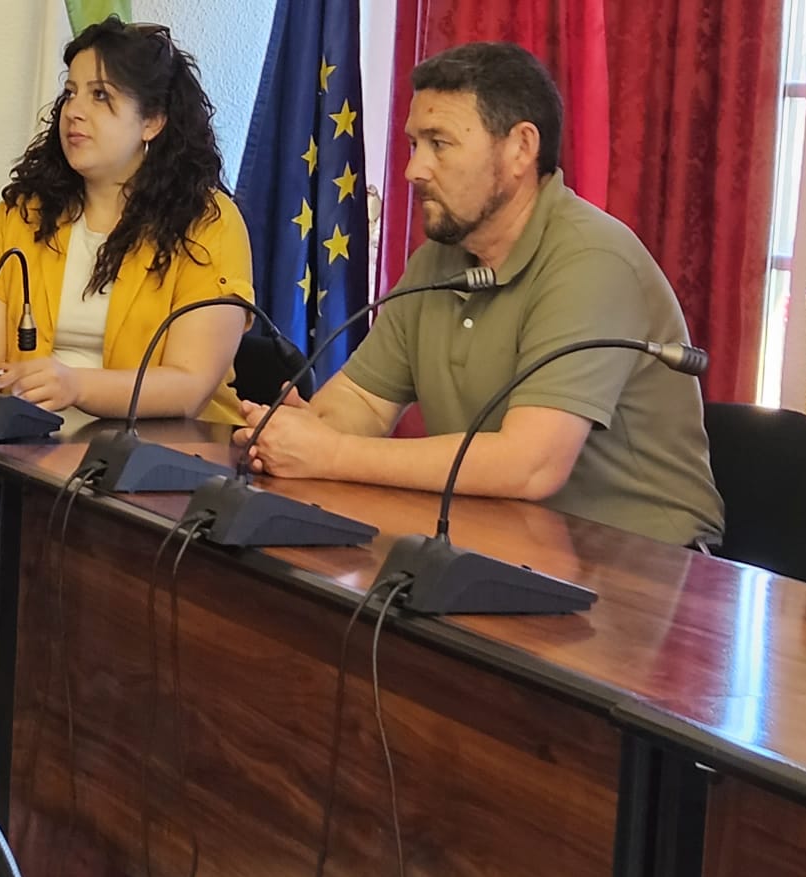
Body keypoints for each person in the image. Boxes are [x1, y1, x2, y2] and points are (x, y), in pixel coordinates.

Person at [0, 17, 255, 767]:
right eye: (70, 92)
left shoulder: (208, 222)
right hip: (25, 457)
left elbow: (191, 386)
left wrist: (74, 384)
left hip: (155, 469)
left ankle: (92, 779)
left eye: (102, 96)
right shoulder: (25, 212)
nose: (74, 111)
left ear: (154, 121)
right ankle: (26, 775)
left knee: (95, 613)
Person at [235, 42, 724, 547]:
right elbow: (364, 400)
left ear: (520, 148)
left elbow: (531, 466)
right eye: (412, 144)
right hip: (500, 542)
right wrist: (293, 433)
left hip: (646, 567)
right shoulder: (441, 258)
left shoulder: (592, 261)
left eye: (439, 144)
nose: (414, 171)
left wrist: (329, 456)